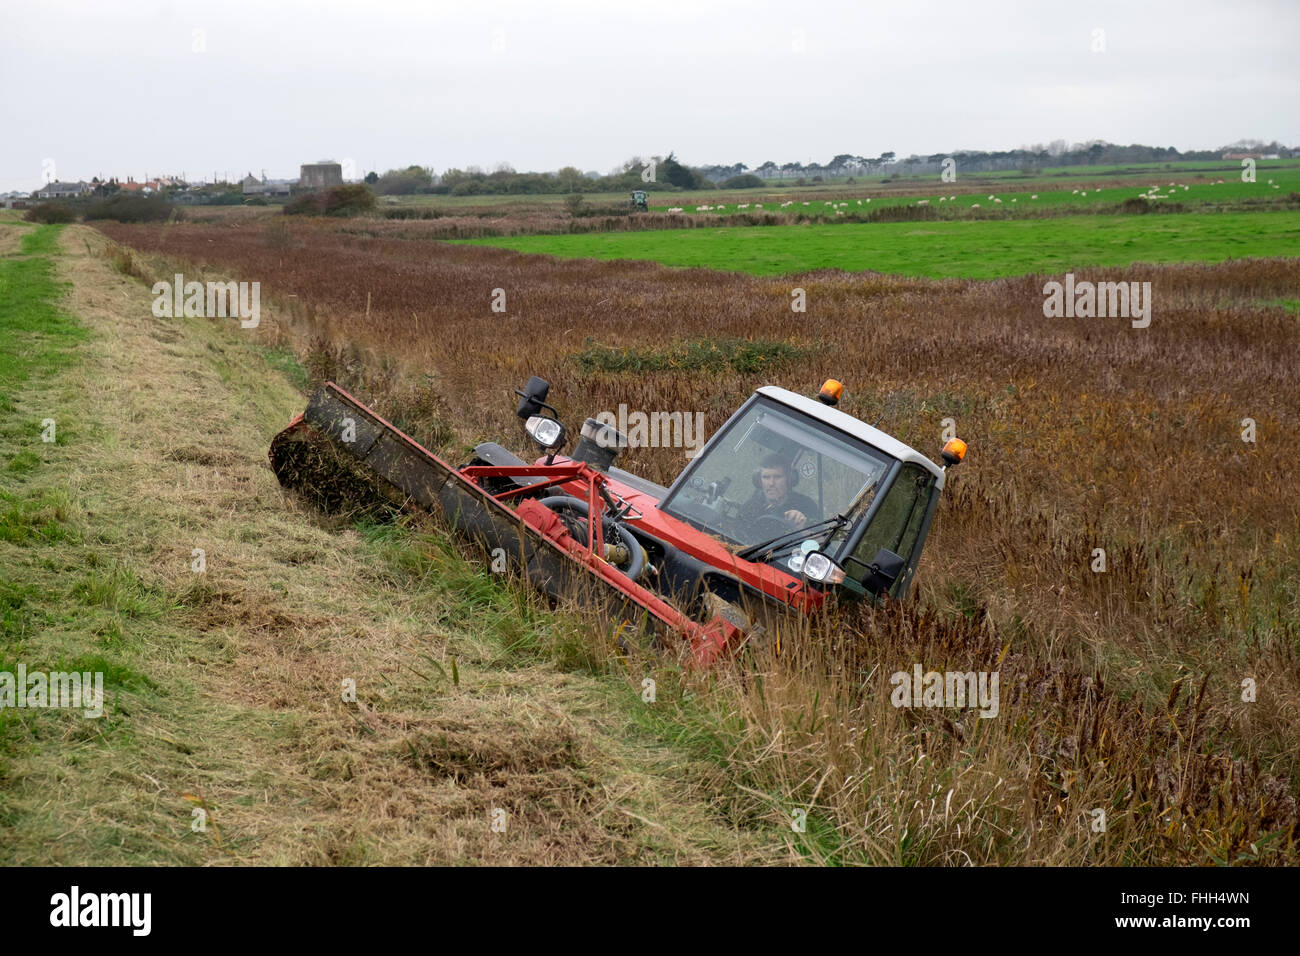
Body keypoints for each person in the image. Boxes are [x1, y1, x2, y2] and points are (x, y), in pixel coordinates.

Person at [739, 453, 821, 531]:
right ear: (759, 481)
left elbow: (820, 543)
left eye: (777, 477)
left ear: (789, 480)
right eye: (766, 477)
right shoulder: (749, 509)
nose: (771, 483)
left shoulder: (807, 506)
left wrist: (802, 528)